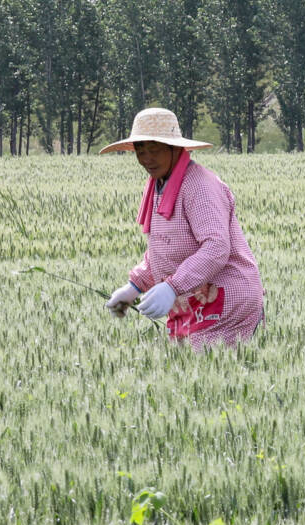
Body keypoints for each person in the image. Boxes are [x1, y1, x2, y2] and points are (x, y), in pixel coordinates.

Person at [101, 108, 265, 347]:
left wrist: (171, 286)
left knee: (209, 375)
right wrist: (135, 286)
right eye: (141, 151)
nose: (147, 159)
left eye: (154, 150)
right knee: (189, 371)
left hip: (225, 300)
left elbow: (217, 246)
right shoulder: (161, 184)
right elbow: (168, 247)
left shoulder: (199, 186)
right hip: (192, 299)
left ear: (175, 148)